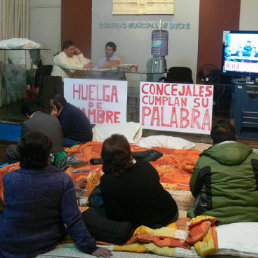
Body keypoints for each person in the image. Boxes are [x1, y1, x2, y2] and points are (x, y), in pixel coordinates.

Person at [0, 132, 112, 257]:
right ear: (48, 155)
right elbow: (72, 219)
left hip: (9, 244)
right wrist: (91, 247)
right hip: (42, 243)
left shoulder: (9, 178)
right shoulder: (62, 179)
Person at [188, 120, 258, 225]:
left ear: (212, 141)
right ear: (236, 136)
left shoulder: (204, 161)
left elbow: (194, 189)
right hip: (253, 215)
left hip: (211, 216)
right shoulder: (254, 157)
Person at [100, 134, 178, 228]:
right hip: (171, 213)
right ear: (128, 153)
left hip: (149, 224)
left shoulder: (107, 181)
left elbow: (116, 217)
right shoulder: (145, 165)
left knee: (98, 201)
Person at [6, 99, 63, 163]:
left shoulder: (27, 123)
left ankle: (17, 170)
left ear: (27, 114)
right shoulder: (54, 118)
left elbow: (22, 146)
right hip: (58, 155)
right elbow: (61, 139)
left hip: (41, 157)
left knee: (10, 149)